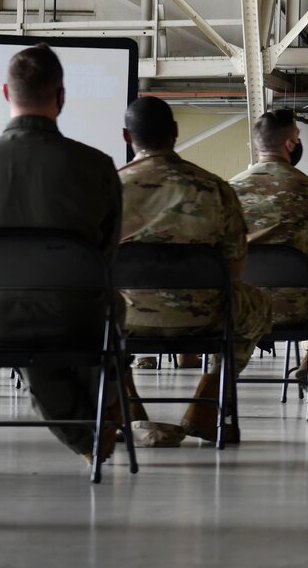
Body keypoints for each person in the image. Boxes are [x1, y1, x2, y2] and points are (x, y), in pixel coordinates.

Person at [0, 43, 125, 462]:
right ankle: (98, 420)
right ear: (61, 97)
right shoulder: (97, 166)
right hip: (77, 319)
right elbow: (106, 256)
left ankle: (89, 431)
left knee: (30, 312)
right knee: (103, 309)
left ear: (7, 94)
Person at [115, 95, 273, 447]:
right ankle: (205, 403)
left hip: (122, 316)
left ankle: (127, 405)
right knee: (258, 304)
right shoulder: (215, 188)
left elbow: (90, 264)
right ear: (174, 132)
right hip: (203, 316)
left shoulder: (105, 188)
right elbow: (235, 266)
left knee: (89, 308)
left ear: (128, 137)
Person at [232, 108, 308, 419]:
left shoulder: (230, 189)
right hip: (297, 304)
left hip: (237, 303)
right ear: (290, 144)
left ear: (258, 145)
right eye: (297, 136)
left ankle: (218, 390)